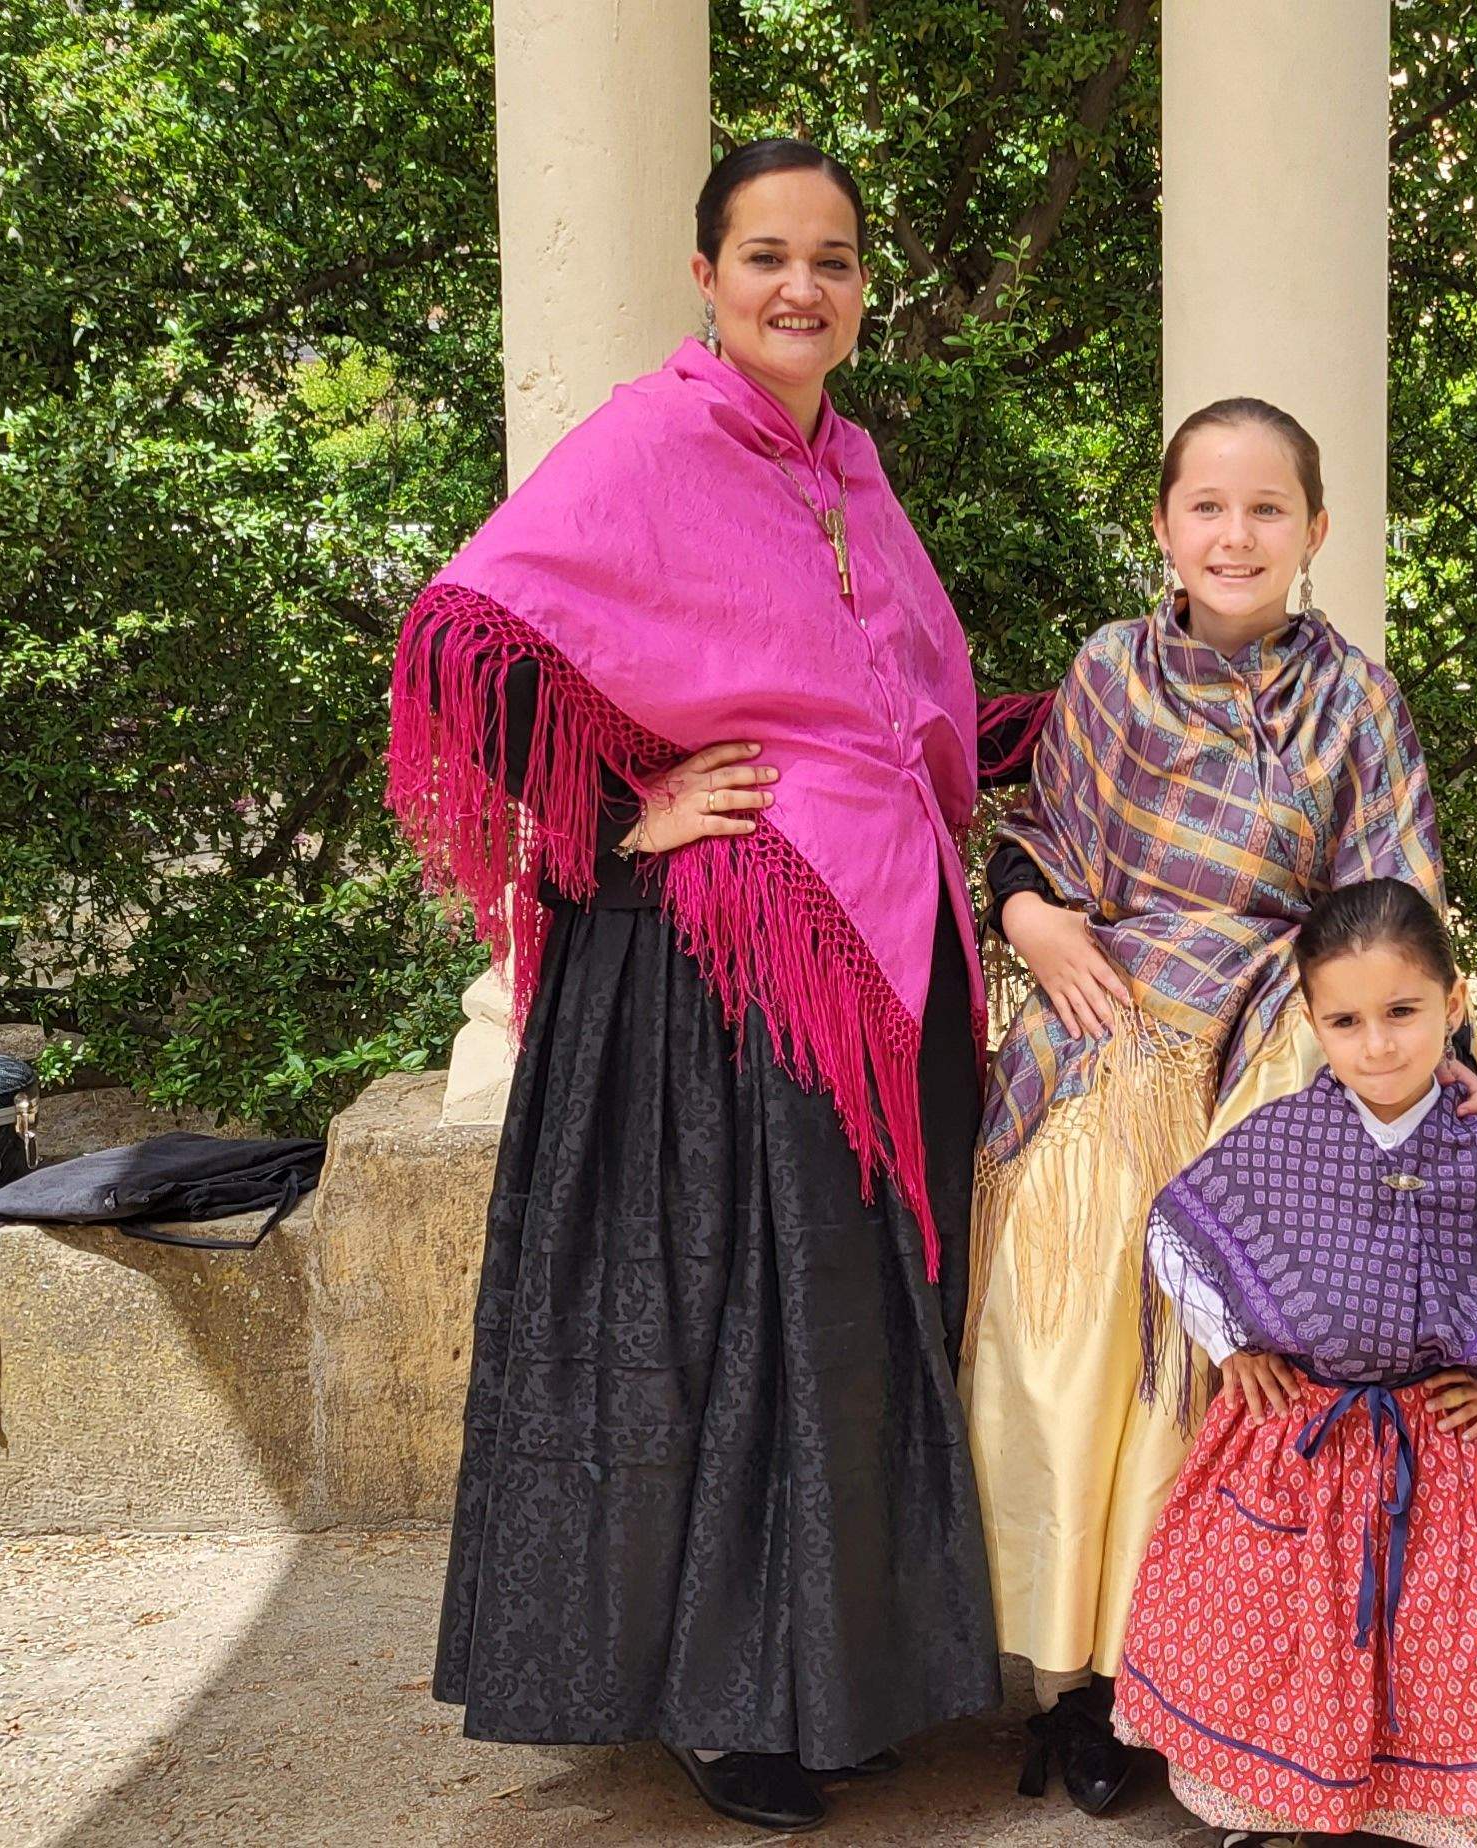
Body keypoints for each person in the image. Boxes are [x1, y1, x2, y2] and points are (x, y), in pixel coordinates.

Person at [392, 138, 1030, 1835]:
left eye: (831, 257)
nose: (799, 286)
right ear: (708, 274)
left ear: (863, 286)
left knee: (860, 1320)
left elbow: (919, 723)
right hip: (731, 968)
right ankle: (726, 1696)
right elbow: (468, 633)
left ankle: (840, 1674)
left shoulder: (854, 475)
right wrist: (626, 807)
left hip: (895, 951)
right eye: (765, 254)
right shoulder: (651, 442)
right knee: (741, 1325)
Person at [965, 398, 1470, 1812]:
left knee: (1249, 1273)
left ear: (1315, 532)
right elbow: (1037, 838)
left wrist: (1360, 1038)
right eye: (1207, 507)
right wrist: (1031, 921)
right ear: (1164, 527)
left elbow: (1395, 898)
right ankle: (1075, 1679)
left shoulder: (1354, 698)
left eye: (1266, 511)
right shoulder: (1108, 676)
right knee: (1075, 1284)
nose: (1234, 534)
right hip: (1110, 1003)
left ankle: (1189, 1681)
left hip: (1284, 1015)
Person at [1115, 878, 1477, 1848]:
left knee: (1449, 1642)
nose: (1378, 1045)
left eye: (1402, 1012)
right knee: (1280, 1640)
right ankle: (1279, 1814)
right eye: (1345, 1021)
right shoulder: (1276, 1143)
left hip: (1442, 1463)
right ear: (1310, 1021)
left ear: (1455, 1004)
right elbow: (1174, 1238)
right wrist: (1232, 1348)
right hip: (1302, 1452)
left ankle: (1441, 1818)